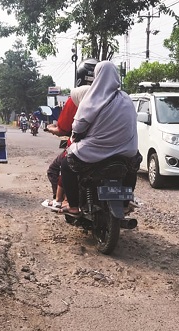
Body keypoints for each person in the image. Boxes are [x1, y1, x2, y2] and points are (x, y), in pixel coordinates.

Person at [59, 61, 141, 215]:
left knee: (66, 164)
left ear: (97, 76)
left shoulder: (93, 97)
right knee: (132, 167)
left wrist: (77, 135)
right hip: (126, 151)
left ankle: (74, 206)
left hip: (95, 152)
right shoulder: (126, 98)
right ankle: (125, 202)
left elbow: (78, 126)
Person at [42, 58, 97, 210]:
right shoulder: (115, 98)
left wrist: (51, 129)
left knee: (58, 167)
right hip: (114, 147)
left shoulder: (77, 98)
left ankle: (64, 200)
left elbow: (64, 129)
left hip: (84, 148)